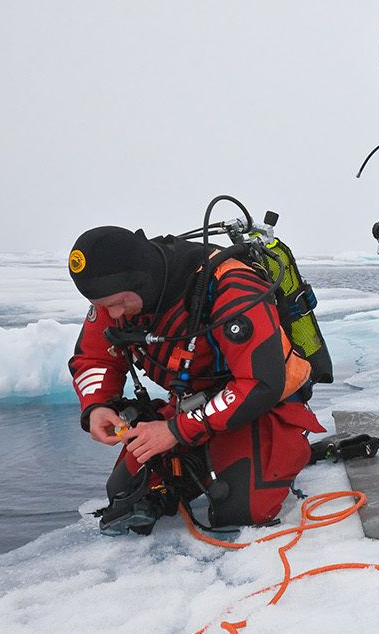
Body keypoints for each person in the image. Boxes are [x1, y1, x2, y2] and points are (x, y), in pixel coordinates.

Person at [67, 226, 325, 536]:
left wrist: (177, 430)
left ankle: (282, 451)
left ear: (141, 279)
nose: (113, 313)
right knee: (125, 494)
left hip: (263, 407)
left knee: (239, 512)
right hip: (194, 407)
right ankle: (197, 464)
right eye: (103, 305)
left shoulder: (229, 285)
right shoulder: (115, 297)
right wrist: (96, 406)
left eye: (119, 303)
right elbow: (94, 358)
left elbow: (261, 383)